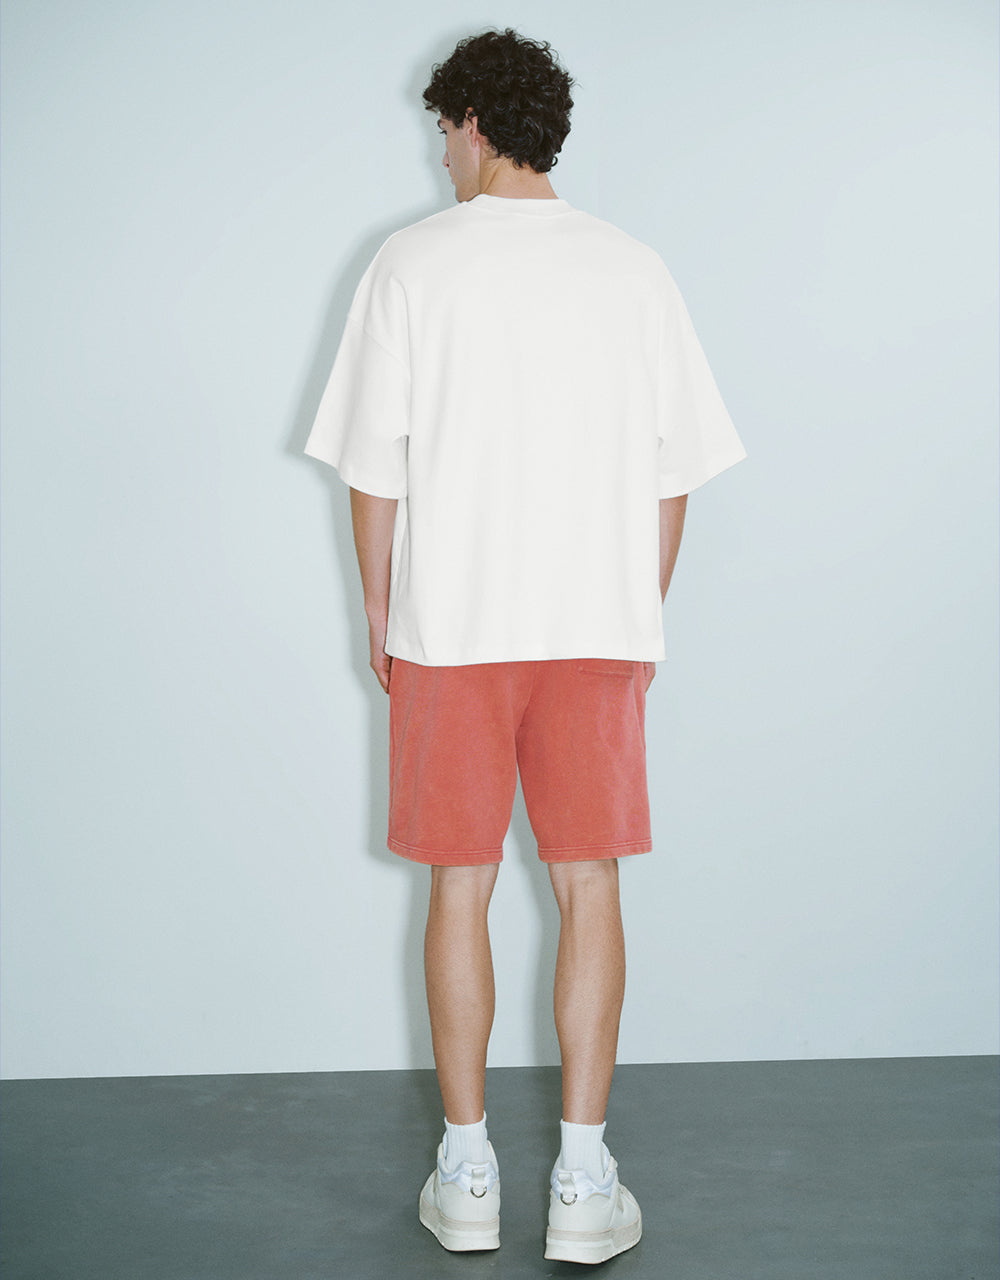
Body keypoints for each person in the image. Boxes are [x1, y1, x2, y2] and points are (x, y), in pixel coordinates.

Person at [305, 27, 746, 1265]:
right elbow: (671, 477)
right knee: (589, 880)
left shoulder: (411, 262)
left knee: (460, 883)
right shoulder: (633, 268)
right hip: (593, 630)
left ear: (472, 123)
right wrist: (634, 610)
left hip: (451, 630)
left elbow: (374, 471)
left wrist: (378, 610)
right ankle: (584, 1179)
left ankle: (467, 1170)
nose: (438, 154)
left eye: (441, 131)